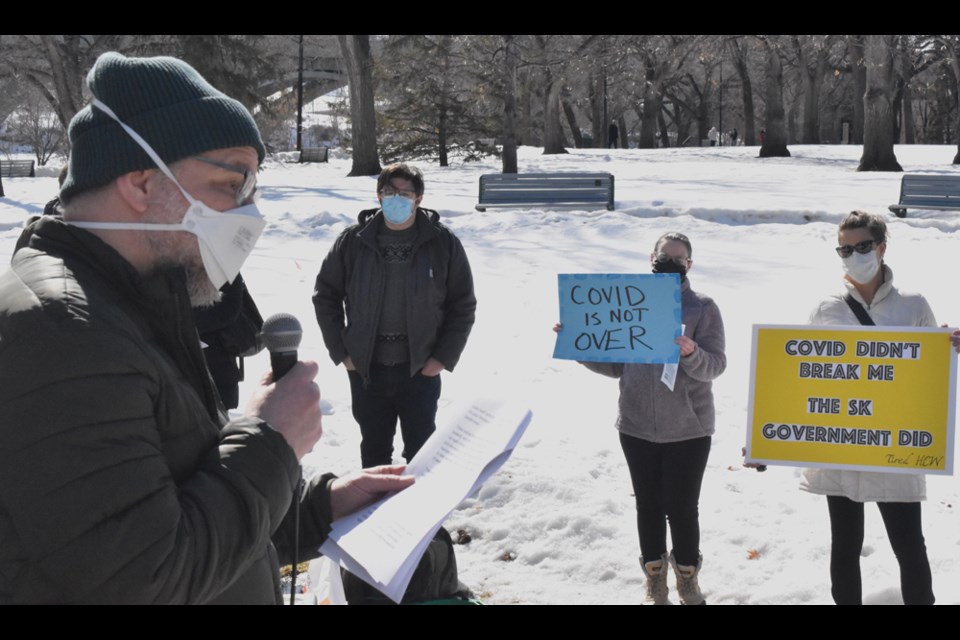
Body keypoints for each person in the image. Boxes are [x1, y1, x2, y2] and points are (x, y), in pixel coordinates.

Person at [0, 52, 412, 604]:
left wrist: (323, 505)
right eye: (231, 183)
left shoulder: (137, 303)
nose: (248, 213)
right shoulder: (63, 333)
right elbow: (146, 577)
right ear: (142, 183)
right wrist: (272, 441)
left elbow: (182, 499)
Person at [557, 232, 726, 605]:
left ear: (689, 266)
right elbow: (617, 364)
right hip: (636, 426)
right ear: (651, 257)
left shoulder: (702, 308)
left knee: (683, 508)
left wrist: (692, 354)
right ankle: (654, 578)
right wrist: (577, 345)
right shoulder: (631, 301)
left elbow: (716, 366)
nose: (670, 263)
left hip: (689, 429)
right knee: (647, 504)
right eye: (664, 256)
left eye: (679, 259)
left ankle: (687, 576)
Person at [801, 210, 958, 605]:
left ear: (882, 247)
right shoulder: (825, 309)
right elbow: (803, 377)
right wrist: (767, 438)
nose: (854, 254)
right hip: (843, 444)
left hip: (895, 445)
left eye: (863, 246)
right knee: (844, 546)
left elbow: (931, 377)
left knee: (909, 546)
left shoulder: (914, 306)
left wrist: (949, 351)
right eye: (845, 249)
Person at [313, 163, 476, 468]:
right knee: (374, 456)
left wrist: (441, 359)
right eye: (390, 192)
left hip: (419, 370)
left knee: (423, 455)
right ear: (378, 196)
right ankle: (375, 514)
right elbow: (326, 296)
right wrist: (343, 353)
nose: (396, 199)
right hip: (367, 371)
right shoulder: (353, 242)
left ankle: (425, 514)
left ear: (419, 198)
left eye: (405, 193)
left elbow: (462, 305)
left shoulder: (443, 244)